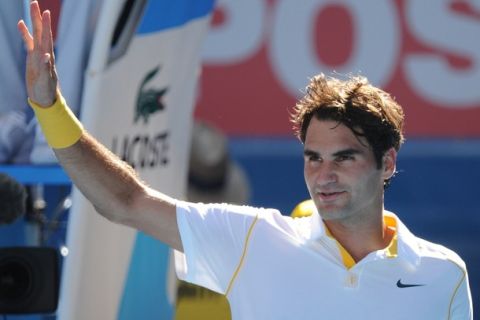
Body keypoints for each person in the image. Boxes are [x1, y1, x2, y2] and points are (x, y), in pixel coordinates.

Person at [17, 2, 472, 319]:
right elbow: (126, 201)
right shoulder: (251, 239)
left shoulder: (443, 274)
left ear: (387, 163)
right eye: (313, 157)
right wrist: (49, 108)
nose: (323, 174)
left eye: (344, 157)